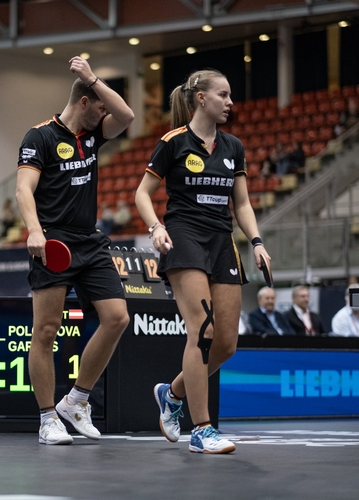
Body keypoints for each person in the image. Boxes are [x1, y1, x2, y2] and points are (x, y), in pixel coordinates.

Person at [134, 68, 270, 454]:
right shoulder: (173, 142)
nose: (230, 103)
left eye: (230, 96)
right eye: (223, 95)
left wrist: (257, 242)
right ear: (201, 98)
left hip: (222, 241)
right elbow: (142, 193)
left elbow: (240, 203)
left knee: (226, 344)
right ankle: (202, 429)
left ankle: (171, 394)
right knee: (203, 332)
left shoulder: (233, 147)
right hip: (184, 238)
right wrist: (155, 227)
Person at [15, 55, 134, 445]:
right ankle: (48, 417)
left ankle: (76, 400)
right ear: (83, 102)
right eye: (98, 103)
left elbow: (127, 115)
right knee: (46, 330)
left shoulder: (94, 134)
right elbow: (23, 190)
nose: (105, 111)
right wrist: (34, 231)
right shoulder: (40, 137)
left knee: (117, 318)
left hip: (89, 239)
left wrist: (94, 79)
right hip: (52, 241)